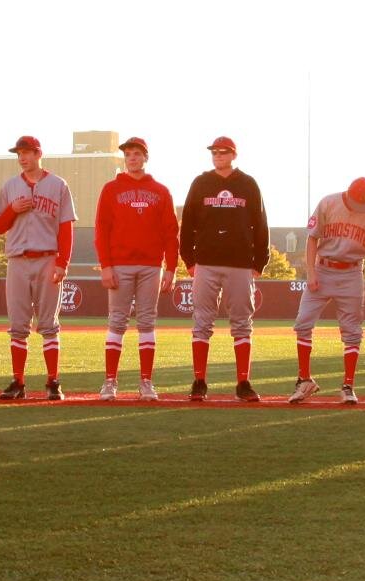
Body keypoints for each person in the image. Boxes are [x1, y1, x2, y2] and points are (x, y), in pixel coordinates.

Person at [179, 135, 268, 402]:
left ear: (233, 155)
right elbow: (188, 222)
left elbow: (260, 223)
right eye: (214, 152)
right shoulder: (201, 182)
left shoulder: (248, 183)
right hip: (206, 261)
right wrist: (189, 259)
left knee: (242, 324)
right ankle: (199, 381)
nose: (217, 155)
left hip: (240, 262)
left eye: (223, 151)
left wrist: (259, 262)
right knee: (202, 323)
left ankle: (243, 382)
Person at [0, 135, 74, 401]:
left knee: (49, 324)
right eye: (19, 153)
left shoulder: (58, 185)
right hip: (17, 260)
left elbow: (66, 227)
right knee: (18, 325)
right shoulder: (11, 186)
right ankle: (18, 381)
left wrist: (63, 262)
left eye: (27, 152)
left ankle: (52, 381)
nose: (22, 157)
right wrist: (12, 209)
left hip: (48, 258)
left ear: (38, 154)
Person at [92, 137, 177, 402]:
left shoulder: (161, 191)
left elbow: (171, 233)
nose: (132, 158)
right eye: (128, 154)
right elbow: (101, 230)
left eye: (137, 153)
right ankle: (109, 382)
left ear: (145, 157)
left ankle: (146, 382)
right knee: (117, 322)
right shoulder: (111, 189)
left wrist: (171, 268)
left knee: (147, 322)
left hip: (152, 265)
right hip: (120, 264)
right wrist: (106, 266)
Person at [291, 177, 365, 405]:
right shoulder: (328, 203)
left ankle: (348, 386)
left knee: (352, 331)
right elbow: (312, 238)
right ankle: (304, 380)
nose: (360, 207)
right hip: (323, 269)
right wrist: (311, 272)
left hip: (352, 274)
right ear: (349, 194)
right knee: (303, 323)